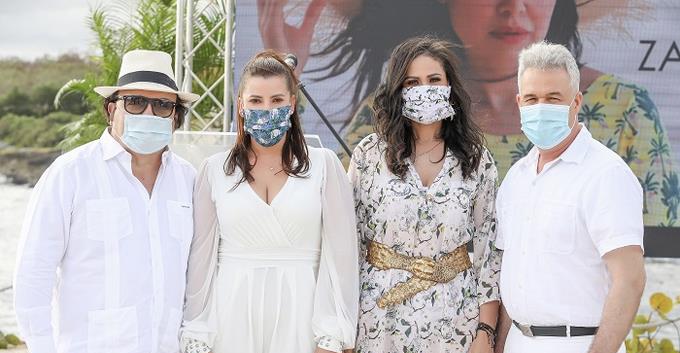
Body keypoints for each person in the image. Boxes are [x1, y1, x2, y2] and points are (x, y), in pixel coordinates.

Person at [259, 0, 674, 226]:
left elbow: (643, 257)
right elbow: (320, 203)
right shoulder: (399, 110)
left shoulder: (625, 112)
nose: (513, 8)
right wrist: (285, 82)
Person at [13, 49, 198, 353]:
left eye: (162, 105)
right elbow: (34, 269)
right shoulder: (71, 173)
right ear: (112, 108)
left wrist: (192, 349)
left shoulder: (189, 181)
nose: (149, 112)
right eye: (136, 101)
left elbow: (196, 275)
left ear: (175, 116)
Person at [180, 50, 359, 353]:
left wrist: (333, 336)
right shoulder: (215, 170)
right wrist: (197, 340)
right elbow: (200, 262)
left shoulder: (324, 166)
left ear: (292, 104)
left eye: (277, 100)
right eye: (256, 101)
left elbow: (342, 259)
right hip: (228, 316)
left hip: (303, 317)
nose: (267, 110)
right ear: (241, 106)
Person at [336, 36, 501, 353]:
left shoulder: (477, 161)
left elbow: (489, 255)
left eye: (434, 80)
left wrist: (486, 334)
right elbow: (348, 249)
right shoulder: (369, 155)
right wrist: (343, 334)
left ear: (450, 87)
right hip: (379, 326)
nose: (424, 89)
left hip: (455, 330)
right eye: (412, 82)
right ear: (397, 90)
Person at [491, 41, 646, 353]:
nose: (541, 107)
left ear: (576, 102)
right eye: (532, 98)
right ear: (519, 103)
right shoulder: (516, 178)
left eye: (553, 98)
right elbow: (510, 278)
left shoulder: (605, 175)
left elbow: (629, 280)